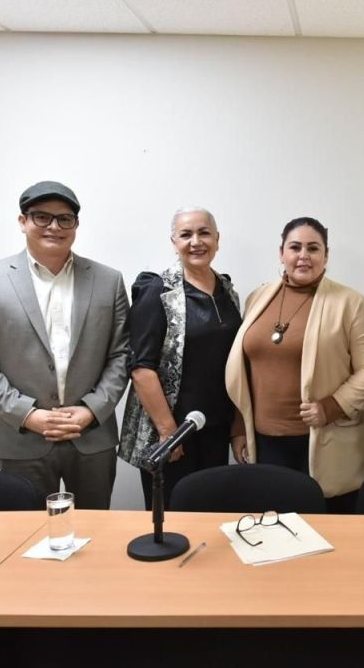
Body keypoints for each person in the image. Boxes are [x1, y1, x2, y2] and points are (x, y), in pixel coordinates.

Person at [0, 181, 129, 508]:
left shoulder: (109, 280)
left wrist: (92, 410)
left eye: (65, 219)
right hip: (21, 437)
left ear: (76, 225)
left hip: (91, 437)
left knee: (94, 529)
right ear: (23, 221)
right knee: (25, 533)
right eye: (42, 217)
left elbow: (121, 354)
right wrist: (27, 414)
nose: (54, 226)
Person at [226, 217, 364, 514]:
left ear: (326, 255)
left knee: (328, 528)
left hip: (325, 442)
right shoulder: (258, 298)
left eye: (313, 248)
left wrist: (332, 406)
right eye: (295, 247)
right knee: (273, 530)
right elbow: (243, 370)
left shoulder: (351, 303)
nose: (303, 256)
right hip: (265, 444)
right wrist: (238, 428)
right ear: (281, 253)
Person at [119, 207, 242, 509]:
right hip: (172, 434)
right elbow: (141, 369)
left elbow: (237, 363)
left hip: (215, 429)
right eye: (186, 234)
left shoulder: (228, 291)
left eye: (204, 233)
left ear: (217, 239)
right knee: (173, 516)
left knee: (211, 515)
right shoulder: (158, 291)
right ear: (174, 242)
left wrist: (238, 427)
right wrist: (168, 431)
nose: (196, 241)